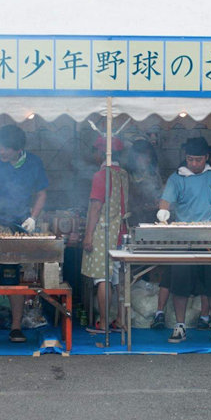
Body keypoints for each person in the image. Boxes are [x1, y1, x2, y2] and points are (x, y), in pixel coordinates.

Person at [0, 124, 49, 343]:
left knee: (16, 276)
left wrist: (33, 217)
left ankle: (16, 327)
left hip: (20, 226)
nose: (1, 151)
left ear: (18, 149)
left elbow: (42, 193)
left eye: (6, 148)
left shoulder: (34, 162)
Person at [157, 137, 211, 343]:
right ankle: (180, 325)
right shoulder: (177, 178)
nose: (194, 164)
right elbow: (166, 200)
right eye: (190, 159)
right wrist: (163, 212)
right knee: (179, 284)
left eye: (198, 160)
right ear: (186, 158)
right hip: (184, 237)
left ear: (206, 158)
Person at [81, 136, 129, 333]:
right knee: (119, 279)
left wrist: (88, 235)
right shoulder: (124, 174)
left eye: (95, 151)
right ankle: (121, 320)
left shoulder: (101, 175)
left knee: (103, 278)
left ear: (101, 153)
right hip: (122, 231)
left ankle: (103, 321)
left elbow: (95, 206)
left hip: (105, 232)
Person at [126, 139, 163, 227]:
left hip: (152, 220)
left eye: (148, 156)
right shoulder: (126, 175)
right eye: (142, 156)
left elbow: (160, 197)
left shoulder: (155, 176)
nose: (146, 160)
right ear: (134, 157)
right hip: (132, 220)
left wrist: (156, 203)